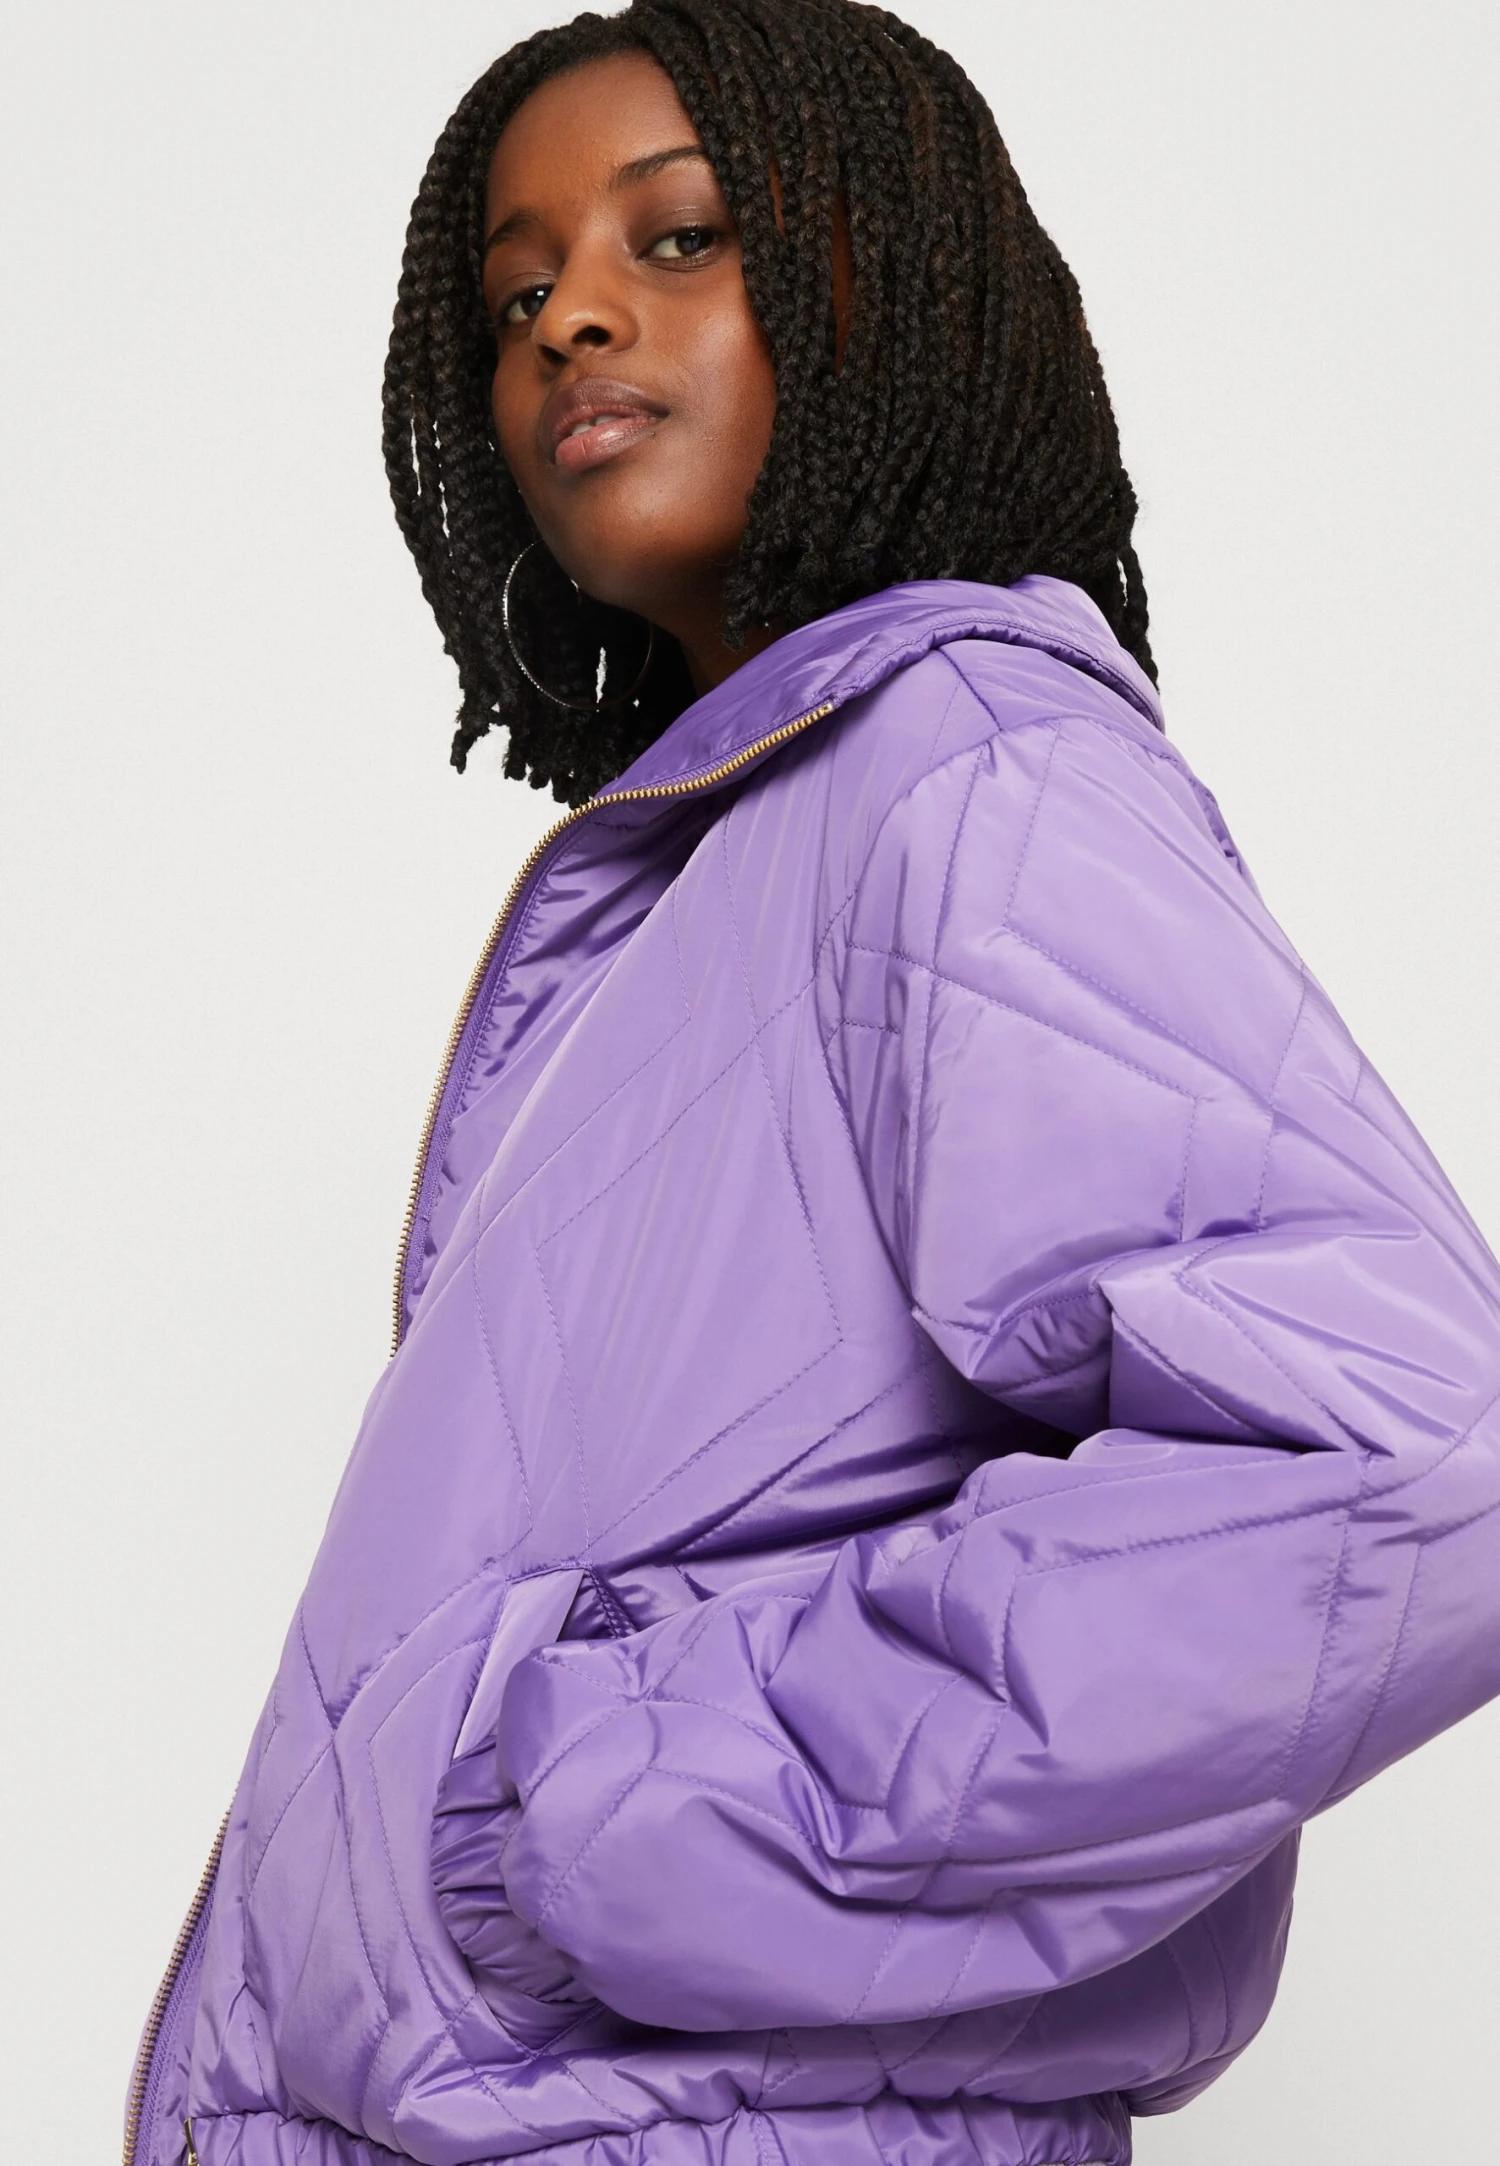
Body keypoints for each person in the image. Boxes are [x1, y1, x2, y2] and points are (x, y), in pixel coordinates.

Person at [125, 4, 1500, 2164]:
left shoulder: (973, 779)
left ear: (896, 278)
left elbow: (1408, 1446)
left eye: (677, 236)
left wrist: (563, 1817)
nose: (569, 316)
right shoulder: (730, 875)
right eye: (514, 293)